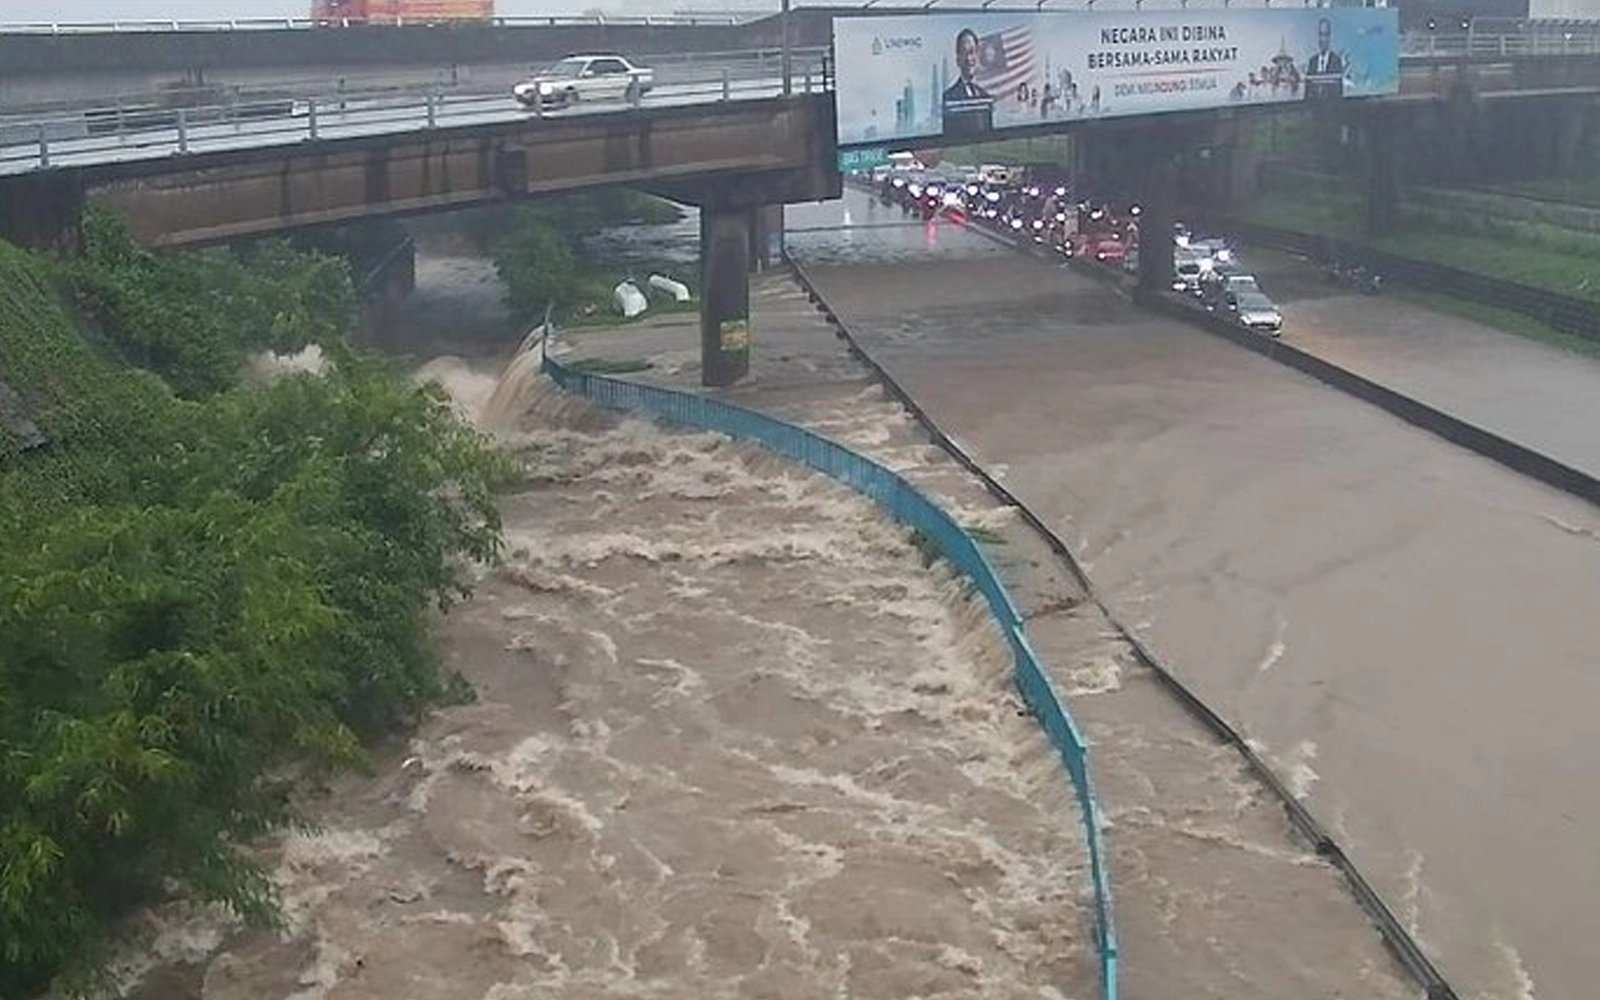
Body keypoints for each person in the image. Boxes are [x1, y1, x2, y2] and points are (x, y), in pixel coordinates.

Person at [942, 27, 993, 136]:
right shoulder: (949, 96)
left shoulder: (985, 95)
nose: (969, 58)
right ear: (958, 59)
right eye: (965, 53)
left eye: (972, 52)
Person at [1305, 17, 1345, 100]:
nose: (1322, 39)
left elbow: (1338, 92)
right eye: (1320, 35)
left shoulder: (1336, 61)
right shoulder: (1312, 61)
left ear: (1329, 37)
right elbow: (1307, 91)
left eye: (1325, 35)